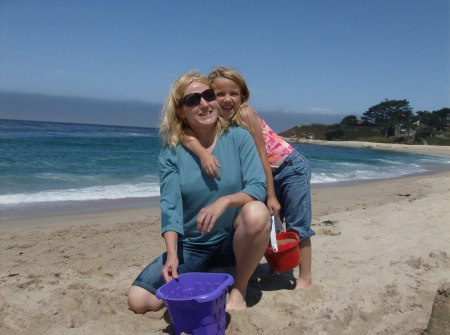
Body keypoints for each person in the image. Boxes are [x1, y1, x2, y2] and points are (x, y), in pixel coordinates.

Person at [127, 71, 271, 313]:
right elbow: (170, 206)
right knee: (139, 301)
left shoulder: (238, 137)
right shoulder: (172, 151)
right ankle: (214, 274)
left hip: (231, 241)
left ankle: (239, 289)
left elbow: (257, 186)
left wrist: (225, 201)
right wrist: (172, 254)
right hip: (193, 245)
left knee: (257, 212)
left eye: (207, 95)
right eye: (193, 100)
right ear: (181, 111)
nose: (204, 104)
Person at [183, 66, 314, 289]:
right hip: (267, 173)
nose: (226, 99)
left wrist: (270, 195)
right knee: (270, 223)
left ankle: (305, 278)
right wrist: (203, 153)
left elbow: (263, 157)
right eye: (219, 93)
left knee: (296, 223)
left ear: (242, 96)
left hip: (289, 167)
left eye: (233, 93)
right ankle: (272, 267)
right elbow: (185, 135)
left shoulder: (244, 115)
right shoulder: (217, 120)